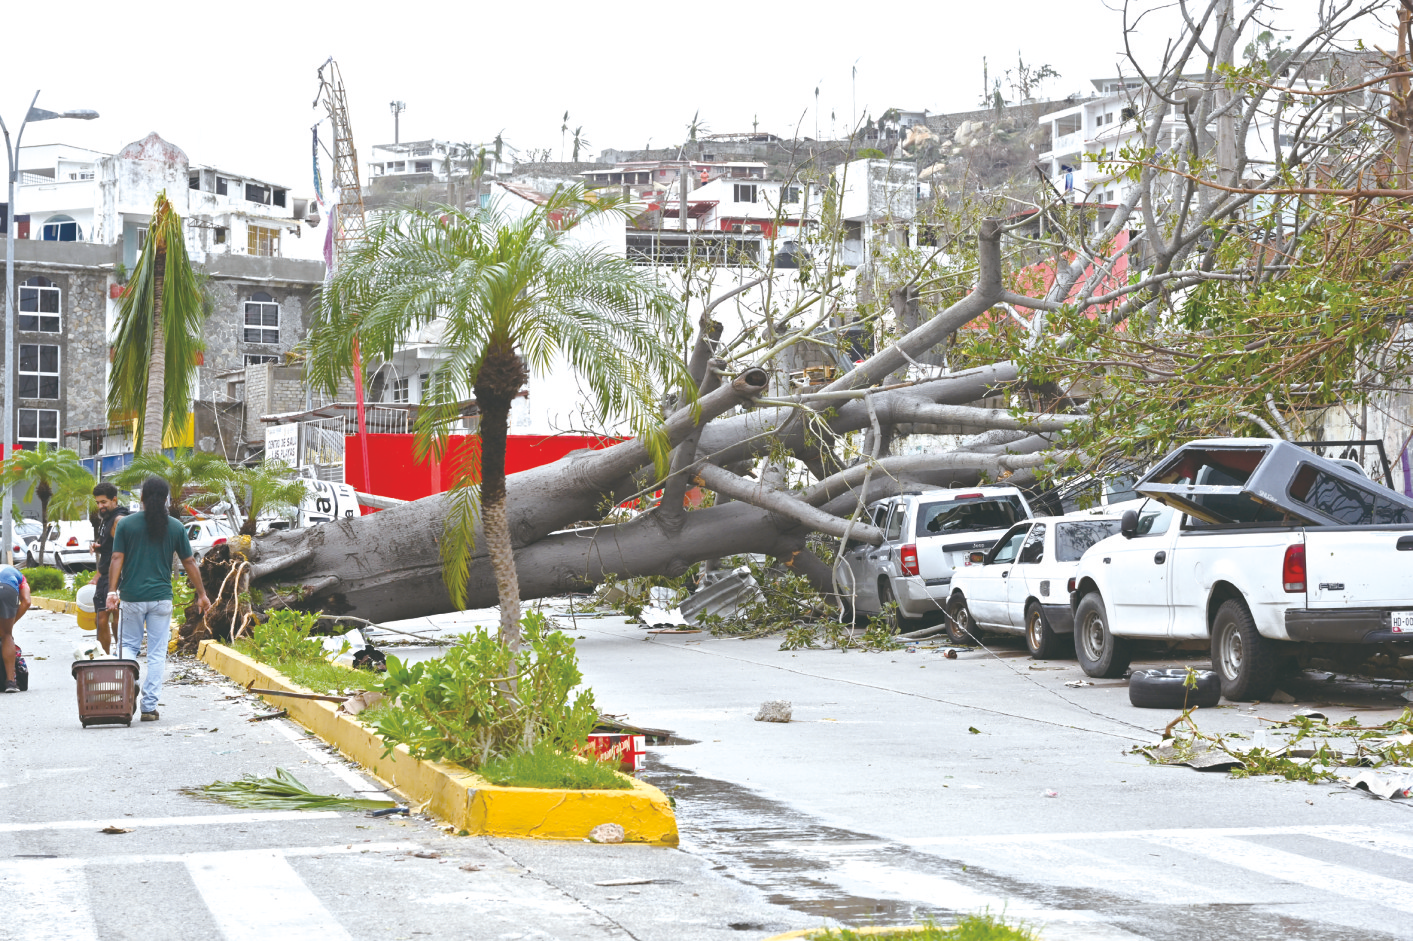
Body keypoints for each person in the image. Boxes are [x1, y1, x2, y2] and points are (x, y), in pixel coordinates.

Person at [106, 477, 210, 721]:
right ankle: (149, 707)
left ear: (141, 497)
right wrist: (202, 594)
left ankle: (128, 686)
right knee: (156, 652)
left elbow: (116, 559)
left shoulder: (126, 525)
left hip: (132, 597)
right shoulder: (174, 526)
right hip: (161, 598)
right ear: (166, 499)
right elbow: (190, 561)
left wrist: (112, 592)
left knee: (129, 647)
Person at [88, 481, 130, 654]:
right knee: (104, 618)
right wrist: (100, 546)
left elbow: (125, 550)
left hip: (116, 577)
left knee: (111, 618)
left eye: (104, 502)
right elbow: (113, 547)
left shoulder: (119, 519)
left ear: (114, 500)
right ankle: (109, 656)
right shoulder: (107, 518)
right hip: (106, 576)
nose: (100, 506)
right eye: (98, 502)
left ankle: (117, 655)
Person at [0, 563, 32, 693]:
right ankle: (10, 682)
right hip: (7, 591)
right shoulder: (20, 578)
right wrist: (9, 626)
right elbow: (27, 601)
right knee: (7, 635)